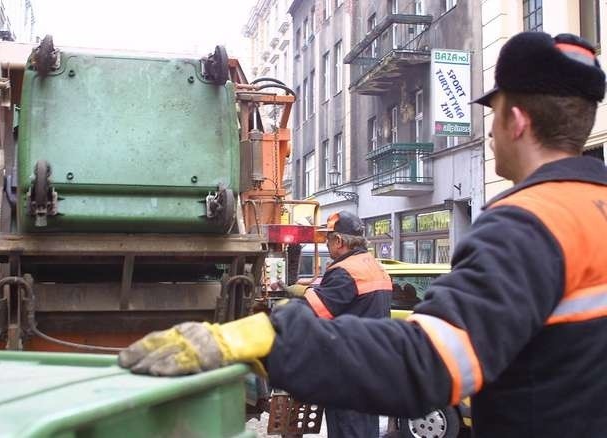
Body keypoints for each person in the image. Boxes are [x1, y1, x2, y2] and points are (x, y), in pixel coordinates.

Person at [118, 32, 607, 437]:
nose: (492, 128)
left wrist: (271, 339)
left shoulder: (530, 224)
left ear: (516, 121)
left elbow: (433, 360)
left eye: (493, 112)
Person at [280, 210, 393, 438]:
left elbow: (314, 311)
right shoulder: (374, 266)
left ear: (339, 241)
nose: (327, 244)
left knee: (347, 429)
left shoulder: (344, 271)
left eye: (328, 239)